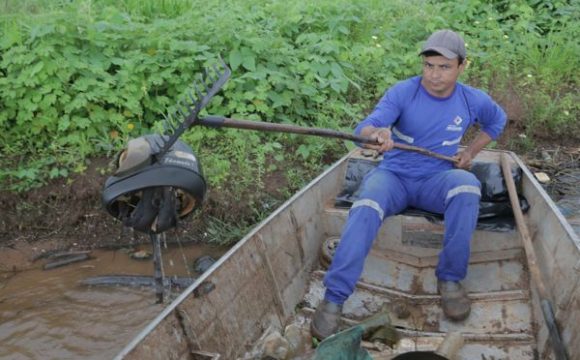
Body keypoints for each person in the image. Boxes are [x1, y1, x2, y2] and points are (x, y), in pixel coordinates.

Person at [311, 29, 507, 340]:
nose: (434, 75)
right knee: (364, 207)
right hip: (394, 178)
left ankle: (450, 279)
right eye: (429, 65)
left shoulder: (472, 99)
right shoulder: (404, 92)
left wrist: (470, 152)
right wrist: (376, 135)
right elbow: (367, 125)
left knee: (468, 188)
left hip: (437, 179)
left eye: (444, 67)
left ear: (461, 66)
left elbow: (497, 121)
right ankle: (334, 299)